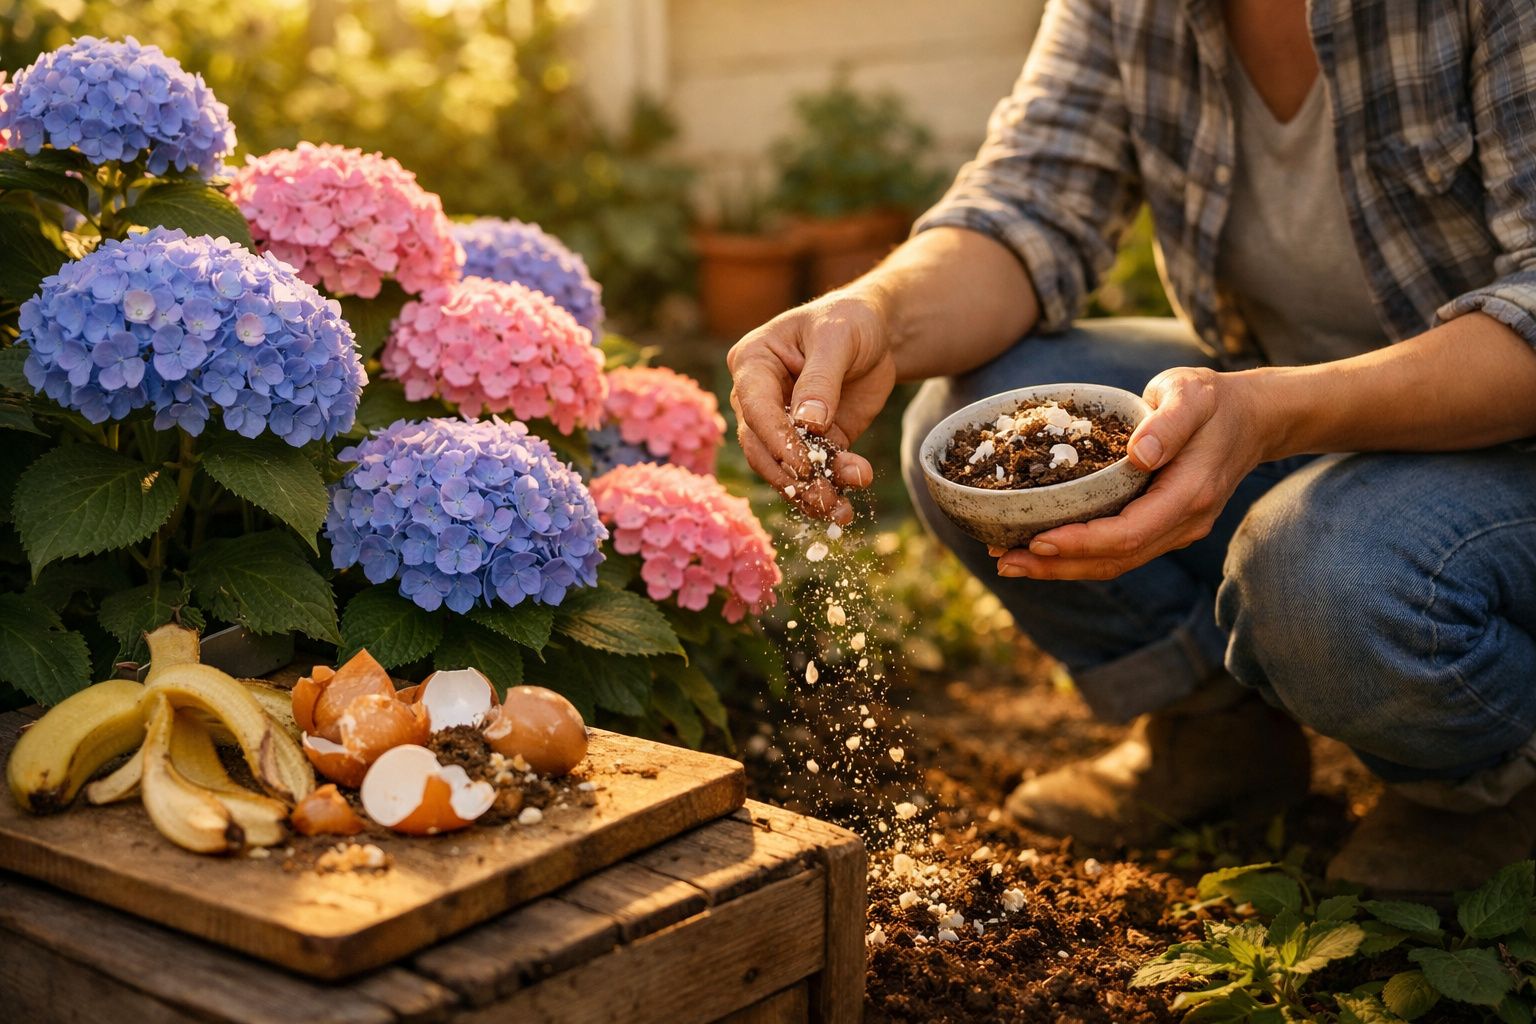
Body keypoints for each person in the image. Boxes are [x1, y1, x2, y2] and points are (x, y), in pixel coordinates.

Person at [727, 0, 1536, 897]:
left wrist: (1273, 412)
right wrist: (871, 314)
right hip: (1277, 396)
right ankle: (1215, 734)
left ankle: (1482, 785)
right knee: (971, 419)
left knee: (1326, 568)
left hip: (1511, 448)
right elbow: (1023, 206)